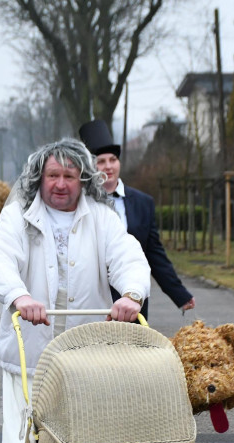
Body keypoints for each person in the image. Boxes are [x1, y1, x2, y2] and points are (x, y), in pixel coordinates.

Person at [0, 138, 150, 443]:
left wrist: (130, 295)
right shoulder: (19, 215)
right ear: (39, 177)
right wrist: (21, 296)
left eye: (70, 176)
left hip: (85, 352)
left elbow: (127, 256)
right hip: (30, 350)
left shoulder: (102, 217)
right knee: (25, 436)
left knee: (87, 431)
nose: (60, 184)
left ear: (84, 179)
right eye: (53, 175)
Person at [78, 119, 195, 319]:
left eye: (113, 160)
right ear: (90, 166)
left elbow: (154, 253)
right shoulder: (80, 203)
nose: (108, 167)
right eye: (101, 161)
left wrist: (179, 294)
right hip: (93, 300)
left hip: (132, 300)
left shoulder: (143, 202)